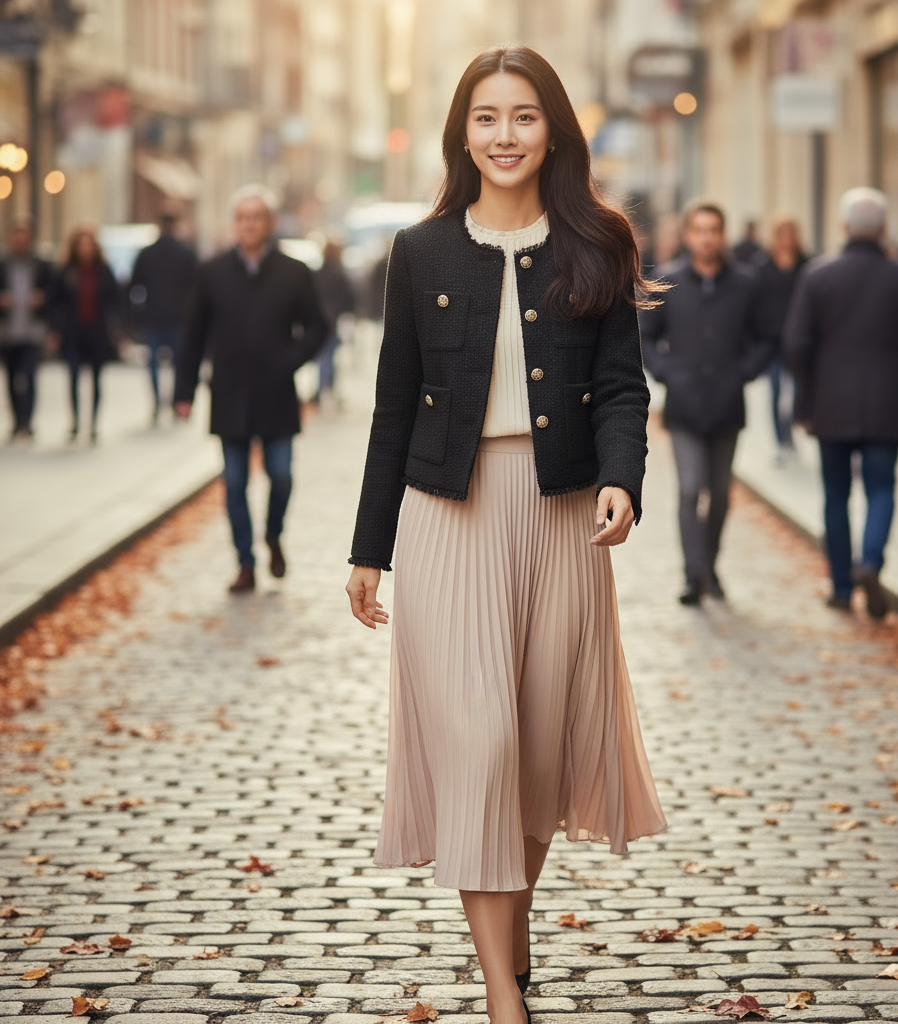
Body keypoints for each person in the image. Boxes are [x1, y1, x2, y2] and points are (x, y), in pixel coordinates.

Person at [345, 46, 666, 1024]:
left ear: (553, 130)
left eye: (523, 116)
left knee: (532, 758)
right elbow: (391, 405)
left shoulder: (598, 241)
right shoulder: (423, 250)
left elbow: (620, 384)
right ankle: (500, 991)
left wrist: (623, 479)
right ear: (462, 133)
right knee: (480, 743)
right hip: (448, 516)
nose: (504, 135)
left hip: (561, 515)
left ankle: (509, 938)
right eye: (485, 118)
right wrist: (369, 547)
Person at [785, 188, 898, 617]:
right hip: (887, 401)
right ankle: (870, 561)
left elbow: (796, 344)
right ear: (884, 228)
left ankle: (842, 586)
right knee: (882, 488)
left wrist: (806, 400)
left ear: (844, 226)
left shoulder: (817, 276)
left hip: (831, 404)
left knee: (835, 494)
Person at [173, 186, 327, 594]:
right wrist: (183, 391)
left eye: (257, 217)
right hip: (229, 394)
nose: (249, 224)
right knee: (235, 482)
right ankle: (245, 561)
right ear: (234, 224)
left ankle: (273, 534)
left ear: (270, 224)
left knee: (281, 476)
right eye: (242, 218)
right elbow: (193, 334)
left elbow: (318, 326)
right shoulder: (212, 272)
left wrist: (291, 361)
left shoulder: (294, 272)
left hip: (277, 394)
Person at [640, 199, 774, 605]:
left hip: (727, 405)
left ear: (723, 234)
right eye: (699, 230)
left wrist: (744, 372)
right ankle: (693, 575)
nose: (706, 238)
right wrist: (666, 373)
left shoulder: (746, 283)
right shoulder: (667, 280)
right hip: (683, 404)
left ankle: (710, 565)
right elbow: (644, 335)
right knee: (688, 488)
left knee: (718, 493)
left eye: (713, 230)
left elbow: (766, 337)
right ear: (687, 235)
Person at [128, 210, 198, 423]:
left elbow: (134, 286)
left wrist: (137, 311)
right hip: (179, 317)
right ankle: (177, 402)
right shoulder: (186, 253)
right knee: (178, 362)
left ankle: (158, 404)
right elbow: (196, 287)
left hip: (154, 316)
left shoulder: (147, 253)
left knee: (154, 363)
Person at [52, 226, 120, 443]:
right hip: (73, 332)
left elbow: (114, 301)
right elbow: (56, 301)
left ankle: (93, 424)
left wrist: (116, 329)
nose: (85, 249)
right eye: (81, 244)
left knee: (97, 379)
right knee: (72, 376)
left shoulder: (103, 271)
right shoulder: (66, 271)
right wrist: (56, 329)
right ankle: (75, 422)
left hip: (97, 332)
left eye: (88, 244)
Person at [758, 214, 807, 462]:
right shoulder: (763, 265)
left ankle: (790, 433)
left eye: (791, 233)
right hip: (773, 340)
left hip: (798, 339)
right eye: (782, 234)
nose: (786, 239)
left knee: (796, 390)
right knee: (776, 390)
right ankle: (781, 440)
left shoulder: (806, 264)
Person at [0, 217, 55, 441]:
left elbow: (54, 293)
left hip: (33, 330)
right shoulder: (3, 265)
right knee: (12, 378)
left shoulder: (41, 265)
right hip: (8, 330)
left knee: (29, 376)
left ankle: (28, 421)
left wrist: (42, 299)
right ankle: (16, 422)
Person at [312, 238, 356, 403]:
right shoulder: (339, 273)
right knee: (329, 357)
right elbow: (348, 297)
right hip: (333, 320)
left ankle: (323, 388)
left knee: (324, 357)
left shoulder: (318, 272)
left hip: (319, 320)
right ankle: (324, 389)